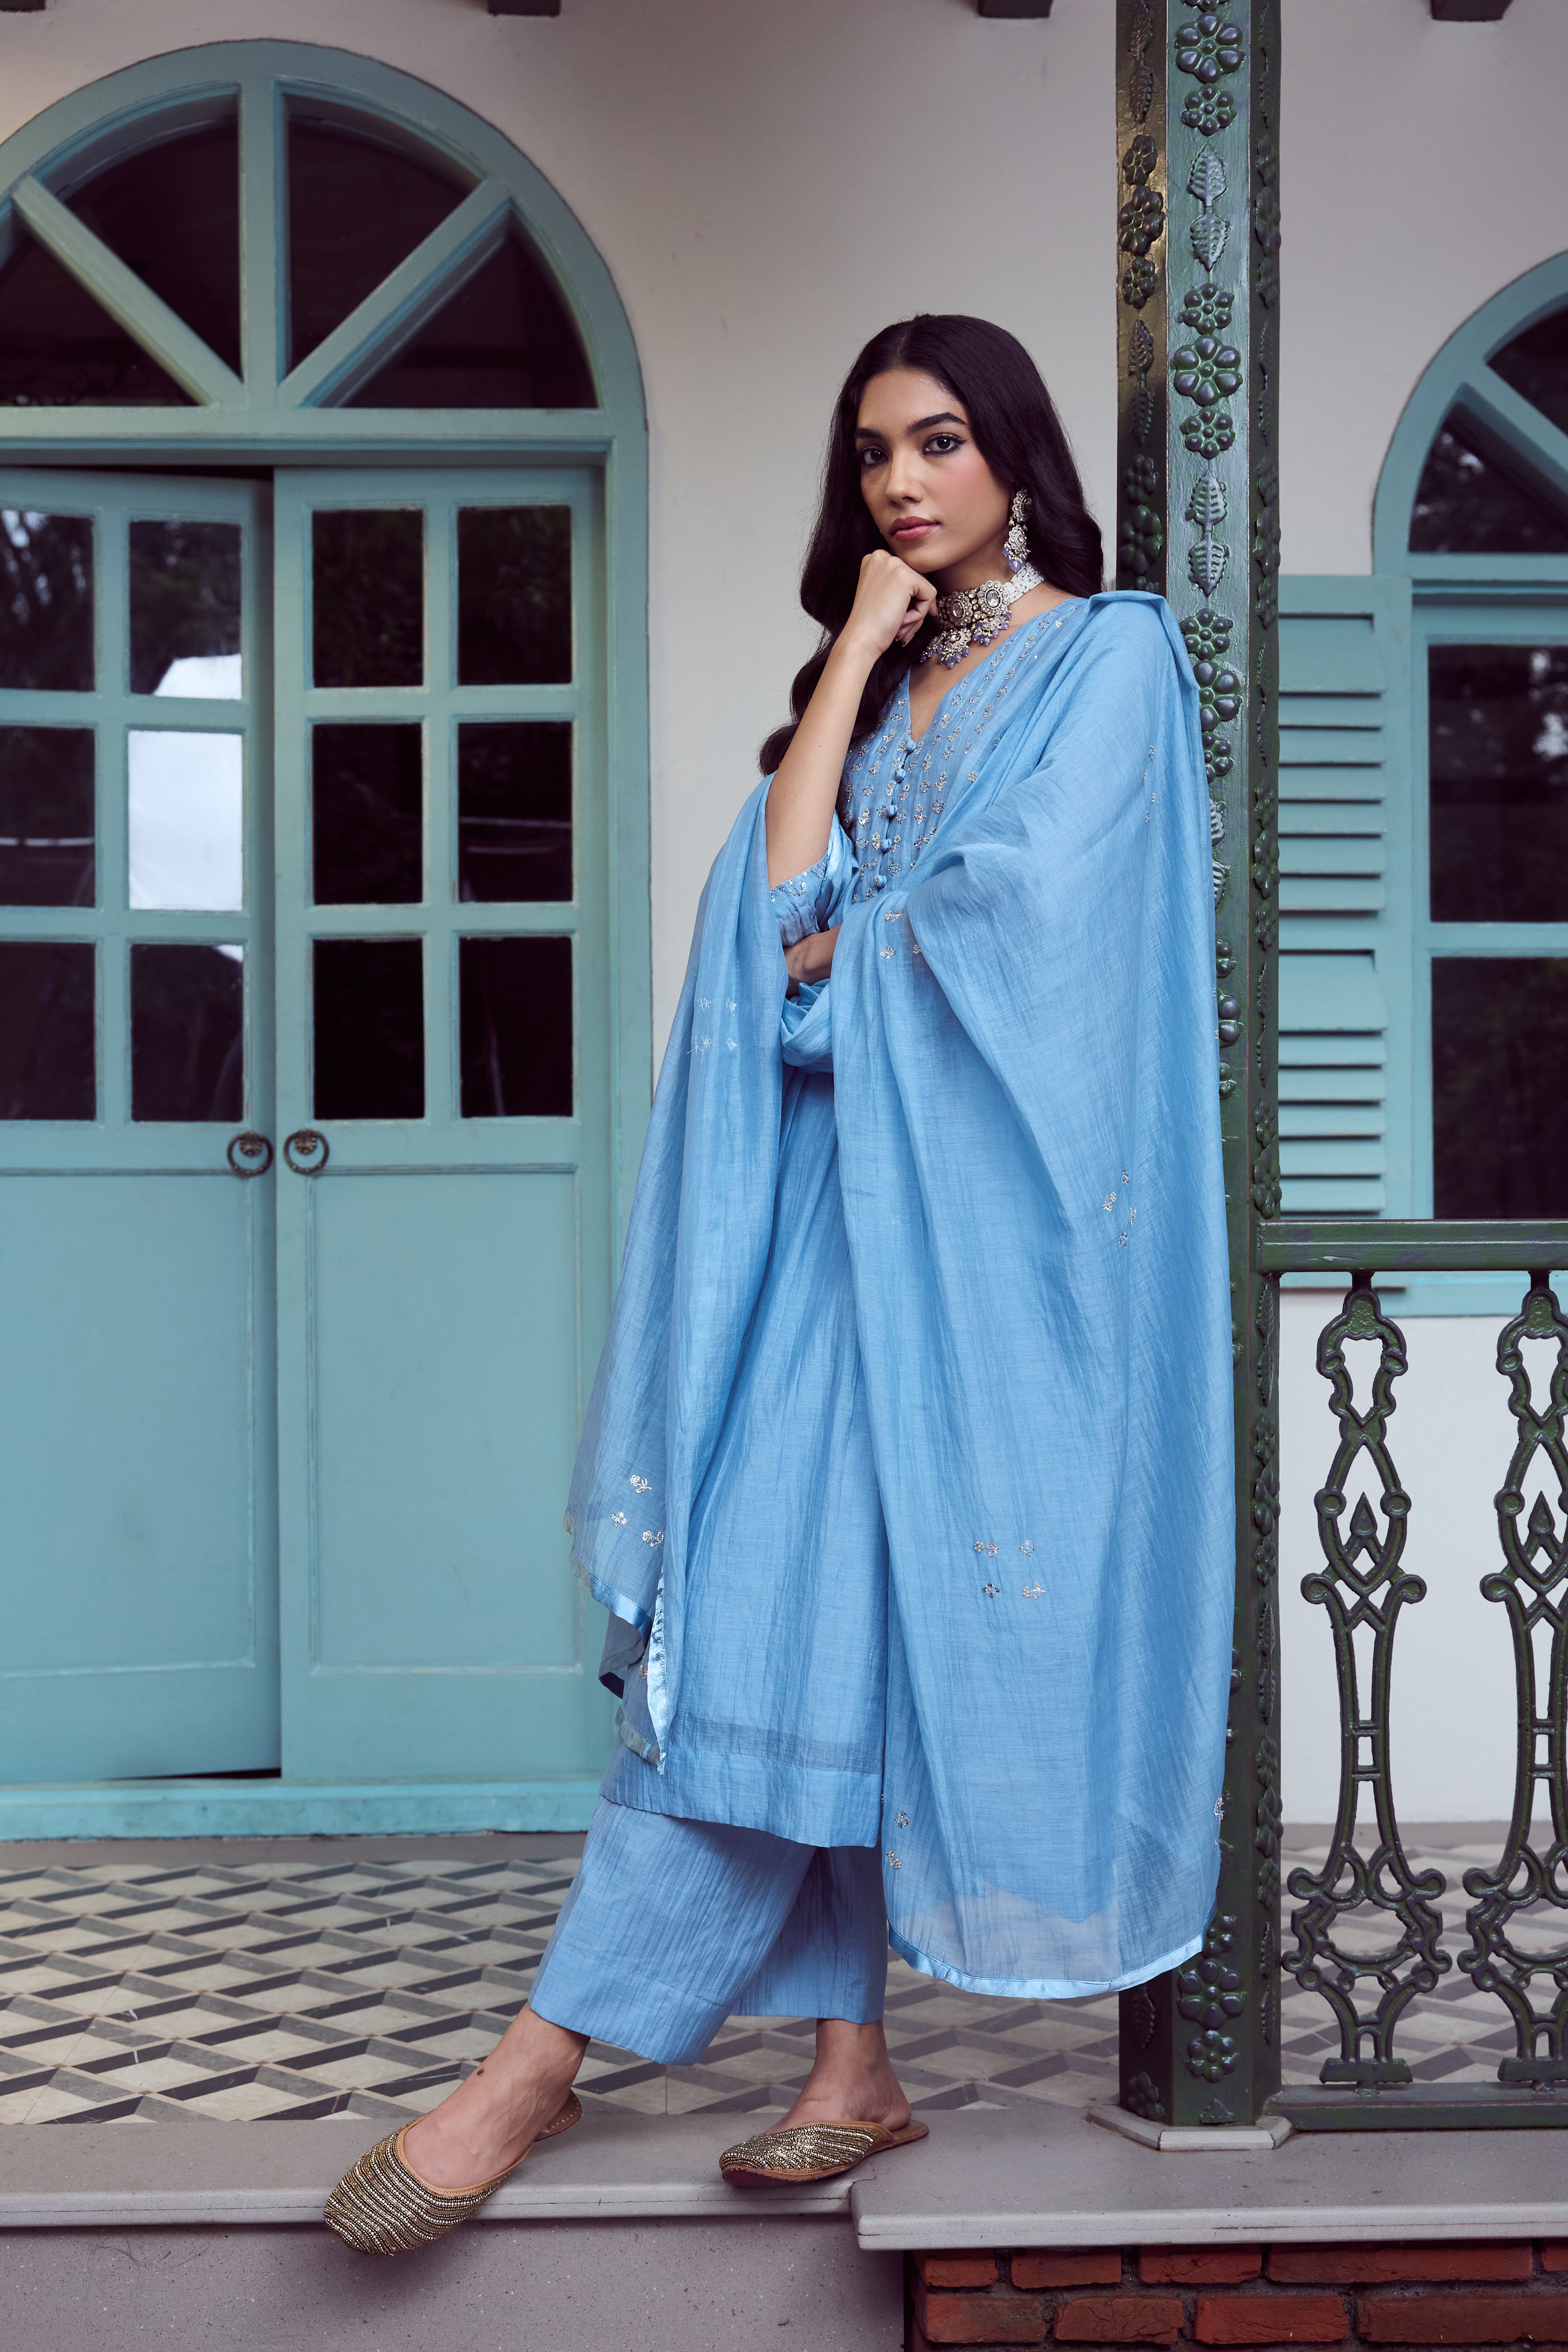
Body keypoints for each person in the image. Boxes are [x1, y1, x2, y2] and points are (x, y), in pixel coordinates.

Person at [325, 314, 1234, 2258]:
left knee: (792, 1639)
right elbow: (771, 913)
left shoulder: (1110, 655)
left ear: (1016, 454)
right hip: (815, 1227)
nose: (900, 482)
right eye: (872, 454)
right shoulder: (881, 676)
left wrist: (854, 957)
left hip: (970, 1235)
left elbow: (1037, 921)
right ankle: (847, 2063)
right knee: (774, 1627)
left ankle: (542, 2062)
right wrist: (849, 667)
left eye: (940, 441)